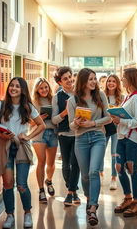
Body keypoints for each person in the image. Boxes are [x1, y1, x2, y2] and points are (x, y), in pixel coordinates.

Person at [0, 77, 45, 229]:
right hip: (5, 146)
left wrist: (28, 136)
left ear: (22, 90)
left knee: (21, 184)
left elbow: (41, 125)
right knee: (8, 183)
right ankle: (10, 215)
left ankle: (27, 213)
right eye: (11, 86)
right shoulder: (0, 105)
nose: (13, 88)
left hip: (21, 146)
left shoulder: (28, 106)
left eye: (17, 86)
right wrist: (3, 135)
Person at [67, 68, 111, 226]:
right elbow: (71, 126)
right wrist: (76, 123)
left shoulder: (101, 96)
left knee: (94, 172)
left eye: (95, 79)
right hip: (81, 139)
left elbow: (109, 118)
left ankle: (93, 207)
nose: (94, 82)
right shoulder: (73, 100)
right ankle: (88, 197)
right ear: (83, 81)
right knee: (85, 175)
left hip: (98, 137)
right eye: (90, 79)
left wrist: (93, 123)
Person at [112, 68, 137, 217]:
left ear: (130, 79)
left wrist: (121, 121)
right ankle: (127, 197)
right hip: (122, 137)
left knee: (132, 169)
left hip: (133, 138)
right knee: (119, 166)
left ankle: (136, 203)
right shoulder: (128, 96)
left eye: (124, 77)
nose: (121, 79)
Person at [52, 67, 80, 206]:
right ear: (59, 82)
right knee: (66, 164)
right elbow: (54, 120)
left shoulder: (80, 93)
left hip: (78, 133)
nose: (69, 80)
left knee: (75, 163)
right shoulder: (57, 97)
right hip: (63, 134)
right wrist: (65, 112)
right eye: (65, 78)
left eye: (70, 77)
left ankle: (71, 191)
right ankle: (73, 190)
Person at [31, 77, 58, 204]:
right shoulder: (32, 102)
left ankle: (49, 181)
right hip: (39, 134)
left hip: (52, 133)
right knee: (41, 161)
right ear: (37, 89)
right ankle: (41, 190)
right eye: (41, 88)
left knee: (51, 163)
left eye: (46, 87)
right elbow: (28, 122)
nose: (44, 90)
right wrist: (39, 118)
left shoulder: (54, 99)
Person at [99, 74, 124, 190]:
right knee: (100, 151)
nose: (111, 83)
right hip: (104, 127)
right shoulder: (101, 95)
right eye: (109, 81)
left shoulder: (122, 97)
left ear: (117, 83)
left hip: (116, 128)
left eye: (114, 81)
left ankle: (114, 178)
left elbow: (125, 114)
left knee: (114, 152)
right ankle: (100, 174)